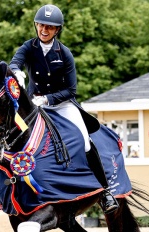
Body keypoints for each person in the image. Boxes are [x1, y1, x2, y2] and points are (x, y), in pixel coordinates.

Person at [9, 4, 119, 214]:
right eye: (41, 25)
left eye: (49, 27)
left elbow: (71, 90)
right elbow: (15, 62)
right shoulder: (28, 47)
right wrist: (17, 73)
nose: (44, 30)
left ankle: (105, 192)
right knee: (11, 134)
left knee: (85, 141)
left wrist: (47, 99)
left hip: (62, 105)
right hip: (34, 107)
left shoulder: (65, 53)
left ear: (57, 30)